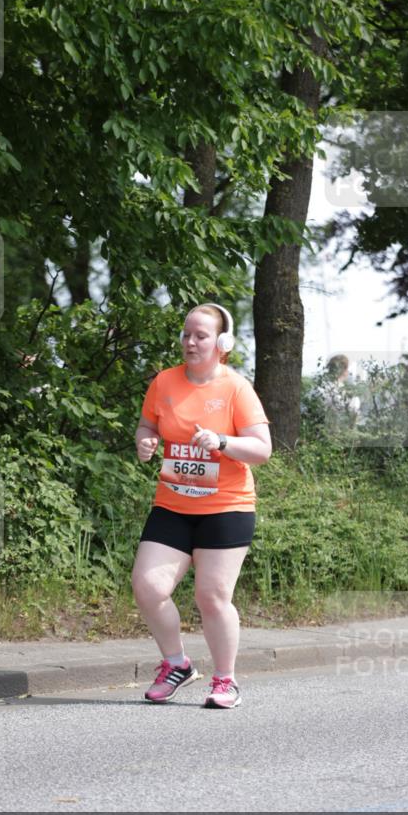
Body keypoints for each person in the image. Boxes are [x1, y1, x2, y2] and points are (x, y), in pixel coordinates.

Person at [132, 303, 272, 709]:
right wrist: (146, 441)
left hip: (227, 508)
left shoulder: (235, 388)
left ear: (221, 343)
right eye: (186, 335)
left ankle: (226, 681)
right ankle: (176, 664)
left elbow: (263, 449)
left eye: (200, 336)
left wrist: (223, 442)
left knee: (211, 597)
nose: (190, 343)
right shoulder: (164, 382)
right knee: (148, 587)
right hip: (173, 505)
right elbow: (147, 424)